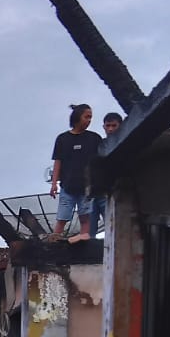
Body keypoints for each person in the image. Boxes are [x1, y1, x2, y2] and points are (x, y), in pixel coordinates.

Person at [49, 103, 101, 241]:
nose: (89, 120)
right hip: (67, 186)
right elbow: (57, 162)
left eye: (91, 117)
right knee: (62, 217)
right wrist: (54, 184)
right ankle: (54, 243)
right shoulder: (63, 139)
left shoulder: (94, 138)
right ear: (78, 117)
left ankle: (84, 241)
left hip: (87, 188)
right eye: (86, 117)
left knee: (85, 217)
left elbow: (101, 162)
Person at [86, 111, 122, 239]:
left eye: (114, 126)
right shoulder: (100, 144)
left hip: (113, 191)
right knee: (89, 229)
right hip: (96, 192)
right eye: (108, 126)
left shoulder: (125, 143)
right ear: (104, 127)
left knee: (112, 225)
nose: (110, 129)